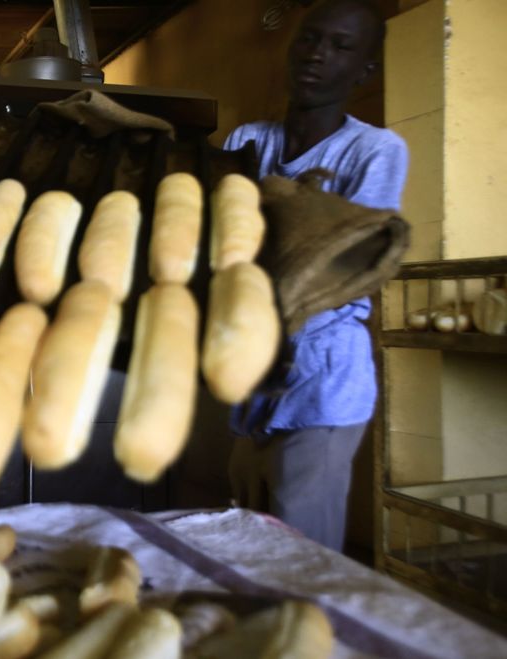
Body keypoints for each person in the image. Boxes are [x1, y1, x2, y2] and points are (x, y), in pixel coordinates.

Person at [222, 0, 408, 552]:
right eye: (309, 39)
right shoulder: (249, 142)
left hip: (321, 382)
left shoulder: (374, 150)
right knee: (245, 535)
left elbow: (344, 264)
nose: (317, 55)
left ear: (365, 71)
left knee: (300, 550)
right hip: (250, 378)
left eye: (341, 47)